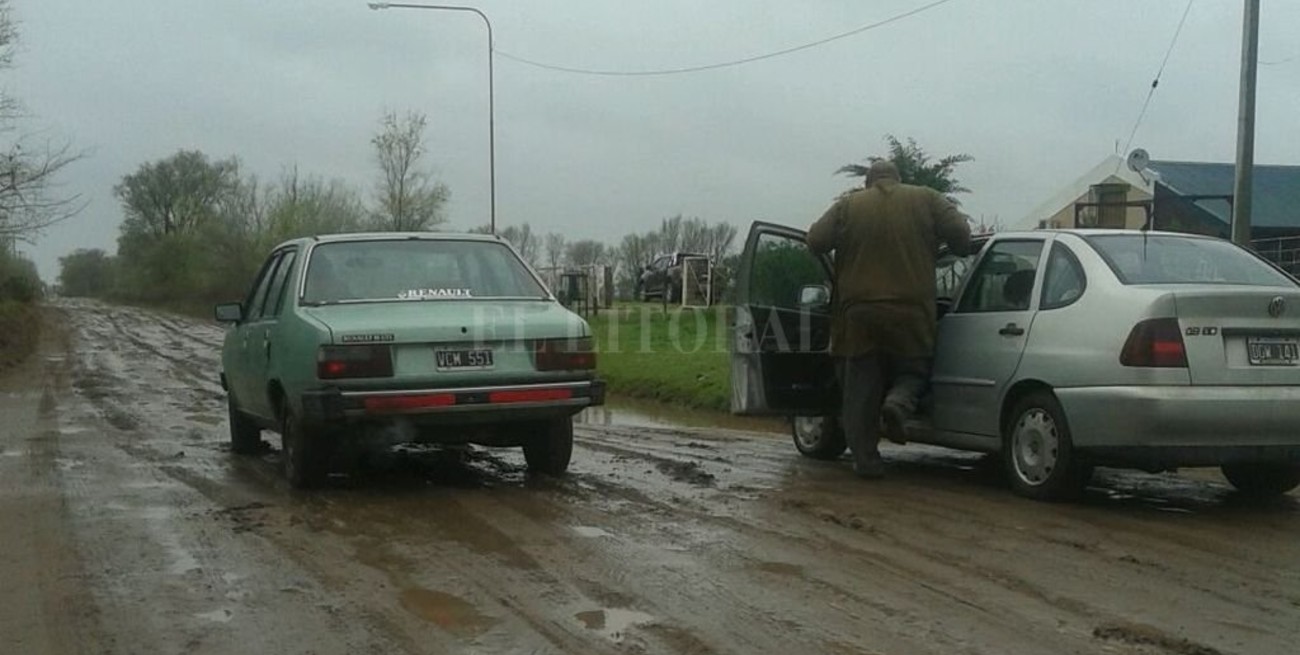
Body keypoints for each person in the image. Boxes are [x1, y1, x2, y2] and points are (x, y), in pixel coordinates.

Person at [807, 160, 972, 479]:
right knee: (915, 369)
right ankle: (899, 402)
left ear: (869, 182)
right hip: (911, 310)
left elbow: (815, 241)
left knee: (860, 389)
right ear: (898, 180)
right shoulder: (927, 197)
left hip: (858, 314)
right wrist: (957, 248)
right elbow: (961, 235)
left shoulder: (849, 205)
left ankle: (867, 461)